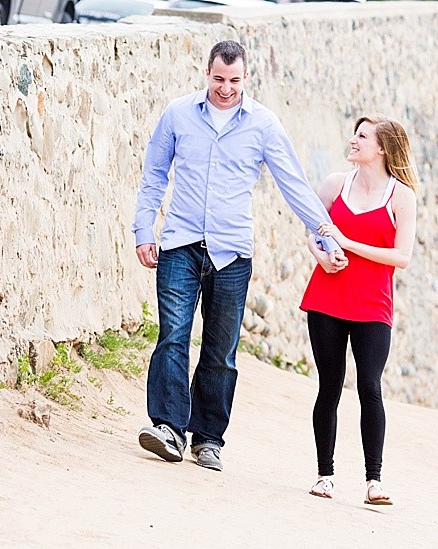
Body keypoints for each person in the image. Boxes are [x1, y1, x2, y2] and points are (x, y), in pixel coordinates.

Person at [133, 40, 346, 471]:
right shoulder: (178, 114)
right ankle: (169, 428)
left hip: (232, 253)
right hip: (180, 244)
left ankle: (208, 438)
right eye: (218, 79)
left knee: (220, 350)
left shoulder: (264, 125)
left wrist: (324, 233)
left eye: (233, 80)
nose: (225, 88)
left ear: (245, 77)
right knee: (173, 335)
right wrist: (143, 230)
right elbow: (154, 173)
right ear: (205, 73)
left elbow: (294, 183)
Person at [301, 115, 419, 505]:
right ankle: (324, 474)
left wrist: (348, 244)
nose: (354, 140)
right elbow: (313, 232)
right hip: (327, 299)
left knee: (370, 386)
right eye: (355, 133)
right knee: (329, 386)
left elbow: (402, 257)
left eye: (363, 136)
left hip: (373, 306)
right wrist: (322, 256)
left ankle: (374, 481)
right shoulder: (334, 185)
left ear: (382, 148)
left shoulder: (401, 196)